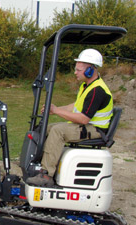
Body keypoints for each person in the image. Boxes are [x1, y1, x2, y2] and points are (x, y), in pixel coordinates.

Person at [27, 48, 113, 187]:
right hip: (87, 126)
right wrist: (55, 109)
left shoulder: (97, 90)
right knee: (45, 128)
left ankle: (46, 174)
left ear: (90, 70)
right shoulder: (87, 86)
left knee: (58, 131)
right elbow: (76, 106)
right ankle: (37, 164)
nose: (75, 72)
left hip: (95, 129)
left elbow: (84, 119)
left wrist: (56, 111)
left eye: (78, 70)